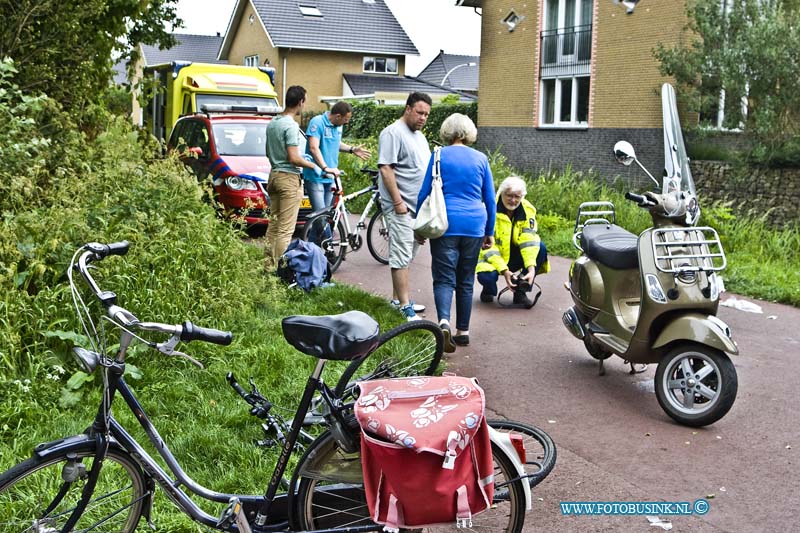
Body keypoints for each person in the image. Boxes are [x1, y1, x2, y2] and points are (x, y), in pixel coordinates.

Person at [417, 113, 496, 350]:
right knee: (466, 279)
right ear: (469, 132)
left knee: (443, 278)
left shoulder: (438, 155)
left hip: (444, 223)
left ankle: (443, 321)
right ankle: (463, 331)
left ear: (447, 131)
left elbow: (424, 193)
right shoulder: (481, 158)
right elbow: (490, 199)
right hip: (474, 225)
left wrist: (418, 226)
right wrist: (489, 231)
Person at [378, 92, 432, 320]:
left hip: (416, 210)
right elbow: (386, 168)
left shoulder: (420, 136)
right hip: (401, 207)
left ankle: (396, 300)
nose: (423, 118)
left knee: (408, 254)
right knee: (400, 255)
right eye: (419, 112)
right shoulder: (393, 133)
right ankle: (405, 306)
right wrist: (398, 203)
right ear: (408, 109)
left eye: (427, 114)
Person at [476, 176, 550, 307]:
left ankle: (520, 291)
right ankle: (488, 289)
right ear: (501, 193)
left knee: (541, 248)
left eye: (517, 197)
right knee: (487, 277)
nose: (513, 200)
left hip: (514, 255)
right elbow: (488, 247)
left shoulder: (528, 210)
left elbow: (529, 241)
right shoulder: (487, 209)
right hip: (491, 257)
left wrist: (531, 268)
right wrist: (504, 271)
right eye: (509, 196)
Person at [264, 85, 318, 264]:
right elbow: (294, 158)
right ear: (300, 102)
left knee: (273, 225)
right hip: (288, 179)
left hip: (273, 176)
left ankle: (268, 266)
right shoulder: (291, 126)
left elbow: (268, 151)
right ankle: (281, 271)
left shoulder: (273, 123)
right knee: (286, 230)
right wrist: (312, 164)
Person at [303, 101, 371, 213]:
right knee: (321, 218)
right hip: (316, 177)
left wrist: (352, 149)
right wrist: (325, 168)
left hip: (332, 176)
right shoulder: (317, 122)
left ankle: (313, 231)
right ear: (338, 116)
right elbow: (313, 148)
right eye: (346, 120)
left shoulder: (338, 126)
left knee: (327, 217)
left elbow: (335, 143)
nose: (347, 123)